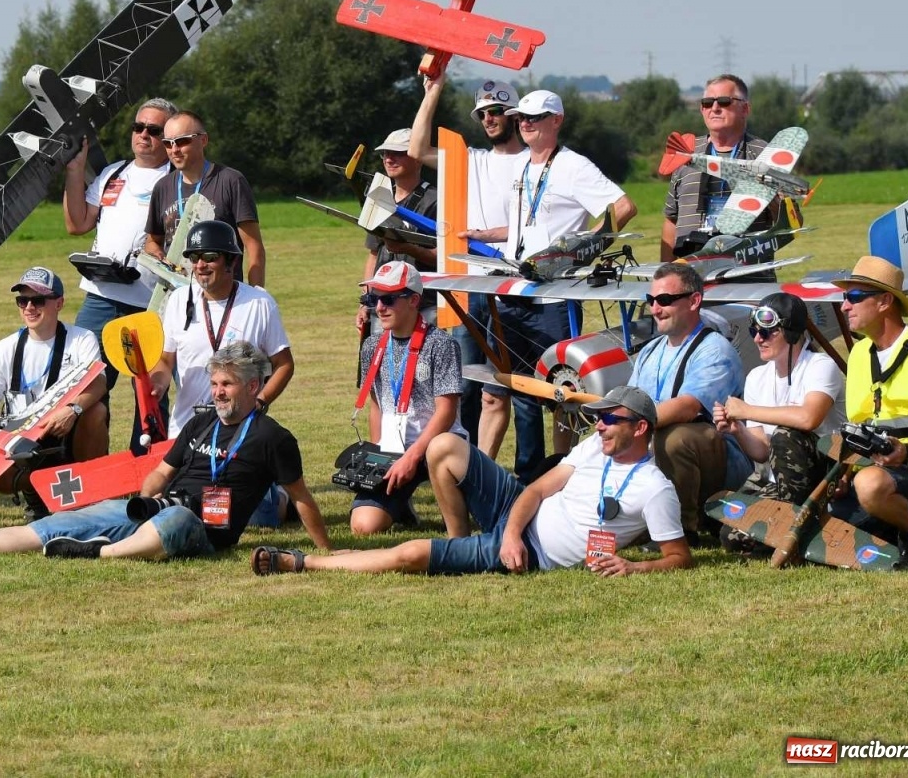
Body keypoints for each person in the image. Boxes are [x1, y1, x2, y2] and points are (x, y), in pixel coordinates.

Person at [0, 341, 330, 561]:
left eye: (228, 384)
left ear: (254, 387)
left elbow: (301, 498)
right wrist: (143, 501)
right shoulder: (202, 422)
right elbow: (161, 474)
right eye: (216, 383)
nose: (218, 392)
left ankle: (100, 553)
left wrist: (328, 551)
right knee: (65, 520)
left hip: (204, 530)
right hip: (154, 509)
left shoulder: (272, 437)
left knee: (177, 519)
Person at [251, 386, 691, 577]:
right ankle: (457, 542)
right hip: (518, 515)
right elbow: (537, 489)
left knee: (410, 556)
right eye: (597, 418)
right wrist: (511, 533)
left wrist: (635, 566)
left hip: (531, 555)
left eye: (610, 419)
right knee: (444, 445)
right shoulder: (595, 448)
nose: (598, 426)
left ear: (640, 429)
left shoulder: (654, 489)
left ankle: (301, 563)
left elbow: (679, 557)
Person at [490, 90, 636, 477]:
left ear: (557, 120)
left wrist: (582, 248)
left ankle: (563, 470)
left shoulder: (574, 166)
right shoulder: (522, 164)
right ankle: (527, 471)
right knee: (518, 388)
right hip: (516, 290)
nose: (525, 124)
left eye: (534, 118)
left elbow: (623, 207)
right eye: (521, 118)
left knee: (561, 393)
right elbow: (528, 227)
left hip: (554, 298)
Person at [412, 72, 526, 453]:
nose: (489, 119)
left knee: (509, 391)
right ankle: (465, 464)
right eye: (482, 114)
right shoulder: (471, 160)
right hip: (468, 286)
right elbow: (417, 149)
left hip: (515, 288)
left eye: (496, 111)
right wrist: (433, 92)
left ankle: (512, 470)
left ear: (514, 114)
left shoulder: (534, 162)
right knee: (460, 387)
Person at [829, 257, 908, 568]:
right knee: (831, 528)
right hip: (874, 474)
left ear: (885, 302)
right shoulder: (858, 353)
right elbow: (858, 426)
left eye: (854, 297)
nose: (844, 307)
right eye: (845, 298)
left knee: (870, 485)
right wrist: (843, 475)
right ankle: (888, 525)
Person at [0, 267, 108, 518]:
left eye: (38, 300)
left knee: (96, 411)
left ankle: (89, 494)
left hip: (66, 436)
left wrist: (73, 410)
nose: (29, 307)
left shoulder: (82, 339)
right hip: (23, 446)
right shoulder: (4, 349)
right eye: (23, 300)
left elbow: (98, 384)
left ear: (59, 303)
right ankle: (34, 492)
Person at [629, 263, 748, 545]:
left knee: (675, 438)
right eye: (651, 301)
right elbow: (629, 400)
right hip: (658, 445)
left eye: (665, 300)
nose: (655, 309)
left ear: (694, 300)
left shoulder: (714, 349)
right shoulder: (649, 351)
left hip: (719, 464)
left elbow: (688, 406)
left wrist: (629, 424)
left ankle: (683, 530)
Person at [149, 221, 292, 437]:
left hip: (242, 429)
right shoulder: (178, 300)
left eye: (209, 257)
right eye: (194, 258)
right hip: (186, 429)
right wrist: (157, 384)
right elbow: (166, 359)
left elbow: (284, 364)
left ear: (231, 261)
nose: (200, 265)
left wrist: (259, 403)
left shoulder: (260, 303)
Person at [350, 261, 462, 536]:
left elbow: (446, 411)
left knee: (474, 520)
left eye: (387, 299)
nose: (379, 308)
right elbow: (376, 403)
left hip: (438, 445)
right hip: (393, 450)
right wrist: (377, 455)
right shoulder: (372, 346)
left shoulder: (442, 344)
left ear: (414, 300)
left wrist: (413, 457)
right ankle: (400, 506)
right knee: (363, 527)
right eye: (374, 298)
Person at [711, 292, 844, 514]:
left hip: (823, 477)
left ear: (791, 334)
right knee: (731, 536)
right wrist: (737, 429)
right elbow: (762, 451)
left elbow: (808, 418)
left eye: (765, 332)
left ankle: (798, 516)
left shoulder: (821, 366)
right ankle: (786, 518)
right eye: (754, 331)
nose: (757, 339)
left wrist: (747, 410)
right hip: (780, 483)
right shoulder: (756, 376)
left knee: (785, 435)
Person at [62, 98, 177, 351]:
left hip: (152, 302)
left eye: (154, 131)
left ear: (169, 138)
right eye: (139, 127)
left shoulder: (178, 181)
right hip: (100, 297)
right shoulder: (112, 173)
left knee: (149, 388)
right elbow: (77, 224)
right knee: (88, 380)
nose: (144, 134)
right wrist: (74, 171)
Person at [141, 110, 264, 285]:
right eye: (168, 143)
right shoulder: (163, 187)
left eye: (182, 141)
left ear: (203, 140)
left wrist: (256, 296)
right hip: (176, 296)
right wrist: (157, 256)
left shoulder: (231, 181)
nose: (174, 149)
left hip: (222, 295)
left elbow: (254, 247)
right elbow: (153, 241)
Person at [661, 74, 770, 260]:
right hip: (691, 274)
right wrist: (667, 272)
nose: (715, 108)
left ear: (745, 109)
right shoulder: (686, 153)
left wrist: (772, 192)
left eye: (724, 101)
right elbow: (671, 220)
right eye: (707, 102)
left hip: (747, 276)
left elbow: (790, 221)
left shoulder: (764, 153)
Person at [355, 127, 436, 343]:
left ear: (418, 159)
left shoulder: (436, 199)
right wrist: (366, 301)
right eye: (385, 153)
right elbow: (374, 253)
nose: (389, 159)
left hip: (422, 305)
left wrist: (409, 249)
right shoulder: (379, 197)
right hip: (382, 304)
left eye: (398, 153)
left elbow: (444, 257)